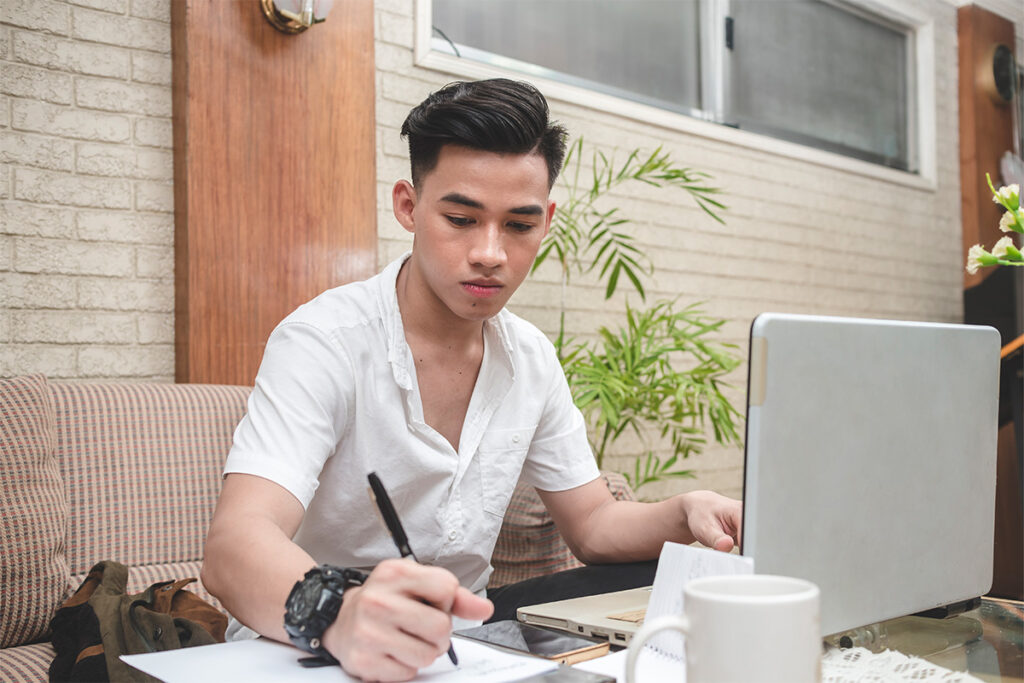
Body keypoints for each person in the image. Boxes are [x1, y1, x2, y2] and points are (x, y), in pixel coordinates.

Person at [201, 78, 742, 682]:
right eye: (461, 218)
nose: (490, 253)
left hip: (467, 653)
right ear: (408, 205)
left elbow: (593, 526)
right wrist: (342, 614)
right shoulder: (324, 341)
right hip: (306, 648)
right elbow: (234, 545)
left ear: (547, 221)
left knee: (661, 590)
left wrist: (687, 511)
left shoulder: (530, 358)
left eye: (518, 226)